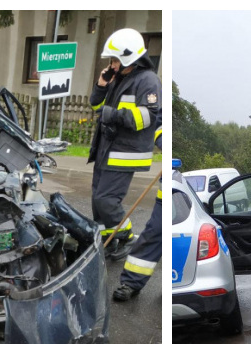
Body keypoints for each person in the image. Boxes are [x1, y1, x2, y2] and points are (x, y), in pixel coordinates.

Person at [88, 28, 162, 261]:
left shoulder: (148, 81)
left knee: (106, 200)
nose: (112, 64)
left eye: (115, 59)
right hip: (106, 148)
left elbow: (148, 117)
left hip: (125, 152)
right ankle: (111, 241)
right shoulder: (118, 78)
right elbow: (94, 105)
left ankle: (127, 236)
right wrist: (101, 85)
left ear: (128, 57)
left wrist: (113, 114)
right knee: (97, 202)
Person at [113, 126, 163, 301]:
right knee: (154, 233)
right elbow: (159, 124)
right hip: (167, 197)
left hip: (181, 195)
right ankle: (132, 282)